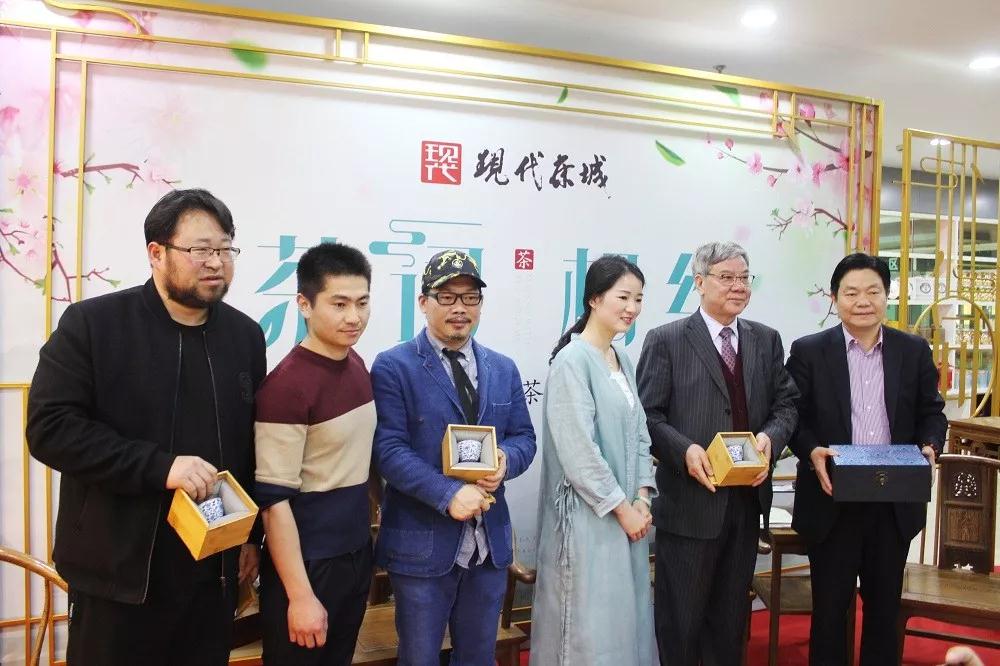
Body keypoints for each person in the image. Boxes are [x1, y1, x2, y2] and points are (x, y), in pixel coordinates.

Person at [26, 188, 266, 665]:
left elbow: (250, 446)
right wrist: (161, 467)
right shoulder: (94, 325)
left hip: (211, 570)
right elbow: (50, 428)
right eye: (200, 249)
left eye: (225, 249)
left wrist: (250, 537)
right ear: (156, 253)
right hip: (117, 573)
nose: (216, 262)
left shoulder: (244, 336)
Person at [370, 249, 536, 665]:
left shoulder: (503, 368)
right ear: (423, 302)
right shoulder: (393, 366)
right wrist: (448, 494)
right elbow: (389, 450)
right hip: (422, 545)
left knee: (478, 657)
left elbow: (524, 437)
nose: (460, 308)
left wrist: (505, 460)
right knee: (419, 658)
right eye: (446, 297)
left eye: (470, 297)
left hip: (488, 546)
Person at [636, 241, 798, 666]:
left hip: (746, 505)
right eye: (727, 277)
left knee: (730, 624)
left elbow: (786, 404)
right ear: (699, 282)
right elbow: (648, 417)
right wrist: (685, 450)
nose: (738, 286)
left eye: (744, 278)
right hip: (690, 506)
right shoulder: (667, 340)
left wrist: (770, 439)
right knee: (681, 622)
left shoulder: (765, 339)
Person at [786, 253, 946, 666]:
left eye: (873, 291)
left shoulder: (913, 350)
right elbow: (793, 417)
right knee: (829, 613)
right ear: (834, 298)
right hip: (831, 500)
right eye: (851, 292)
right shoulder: (808, 351)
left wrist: (931, 445)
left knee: (884, 611)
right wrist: (811, 450)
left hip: (892, 504)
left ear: (886, 296)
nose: (862, 301)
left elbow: (932, 412)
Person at [530, 255, 657, 666]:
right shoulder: (572, 361)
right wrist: (622, 509)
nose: (632, 308)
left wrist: (642, 498)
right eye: (623, 297)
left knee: (625, 625)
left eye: (639, 299)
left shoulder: (623, 359)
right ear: (594, 299)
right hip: (589, 521)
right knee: (588, 630)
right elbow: (579, 453)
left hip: (629, 518)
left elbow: (641, 434)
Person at [254, 242, 376, 665]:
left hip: (355, 554)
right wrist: (300, 596)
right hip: (308, 564)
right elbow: (274, 504)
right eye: (339, 304)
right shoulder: (287, 386)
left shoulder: (355, 363)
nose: (353, 317)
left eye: (362, 302)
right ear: (304, 304)